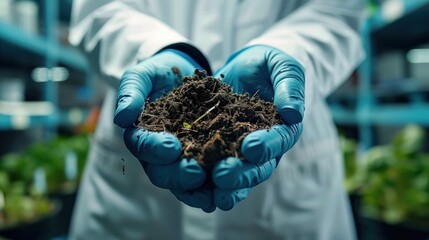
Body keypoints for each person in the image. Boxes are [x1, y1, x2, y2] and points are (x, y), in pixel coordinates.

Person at [69, 0, 365, 239]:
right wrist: (158, 49)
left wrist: (288, 51)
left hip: (287, 198)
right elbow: (97, 10)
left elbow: (341, 11)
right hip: (132, 206)